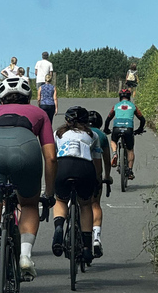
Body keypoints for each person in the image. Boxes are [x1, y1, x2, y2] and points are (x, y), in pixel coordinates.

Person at [0, 76, 57, 293]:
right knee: (27, 205)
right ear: (27, 97)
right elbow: (51, 157)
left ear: (1, 98)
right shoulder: (39, 113)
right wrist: (49, 192)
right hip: (26, 150)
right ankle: (25, 256)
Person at [50, 106, 101, 264]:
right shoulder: (92, 134)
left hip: (63, 167)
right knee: (85, 205)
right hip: (84, 168)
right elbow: (97, 162)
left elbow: (52, 156)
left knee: (61, 200)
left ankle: (59, 227)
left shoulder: (58, 134)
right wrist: (98, 180)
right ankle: (86, 247)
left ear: (67, 120)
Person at [103, 89, 147, 181]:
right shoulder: (133, 106)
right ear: (129, 97)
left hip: (116, 128)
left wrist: (106, 129)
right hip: (129, 128)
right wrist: (139, 129)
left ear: (120, 97)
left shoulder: (116, 106)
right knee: (130, 149)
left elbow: (108, 119)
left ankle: (115, 153)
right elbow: (142, 119)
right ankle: (130, 171)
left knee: (113, 141)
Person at [87, 110, 112, 258]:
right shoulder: (101, 136)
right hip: (94, 174)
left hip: (73, 172)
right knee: (94, 204)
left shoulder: (82, 132)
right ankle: (96, 237)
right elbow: (107, 160)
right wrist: (107, 176)